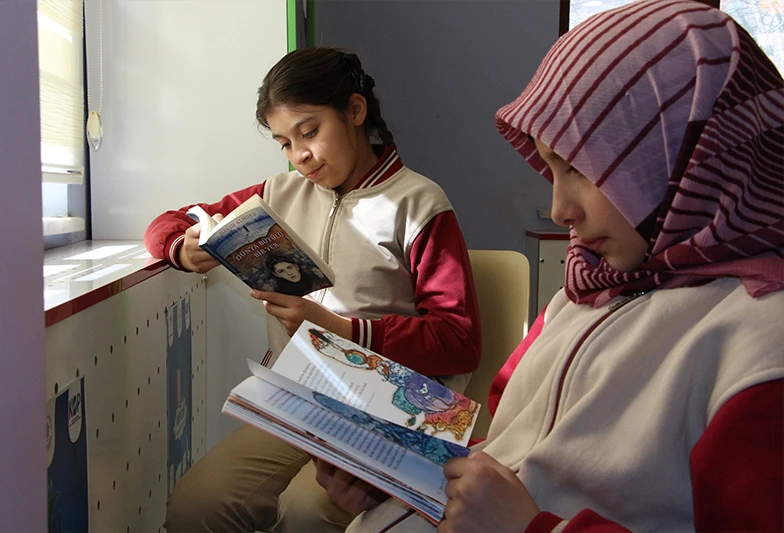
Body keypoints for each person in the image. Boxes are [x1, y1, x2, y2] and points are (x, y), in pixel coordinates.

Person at [320, 2, 784, 531]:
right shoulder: (586, 291)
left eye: (581, 169)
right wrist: (405, 471)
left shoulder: (757, 346)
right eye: (551, 169)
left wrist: (530, 528)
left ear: (678, 158)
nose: (561, 209)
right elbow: (517, 447)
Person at [143, 46, 481, 533]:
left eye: (310, 132)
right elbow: (169, 221)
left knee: (307, 513)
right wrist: (181, 247)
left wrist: (344, 330)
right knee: (197, 505)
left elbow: (459, 339)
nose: (299, 155)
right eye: (284, 142)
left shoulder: (420, 203)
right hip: (297, 398)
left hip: (389, 408)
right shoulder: (279, 193)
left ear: (355, 111)